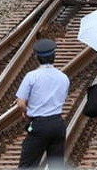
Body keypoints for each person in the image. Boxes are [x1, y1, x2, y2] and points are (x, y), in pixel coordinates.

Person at [16, 38, 70, 168]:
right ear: (54, 56)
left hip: (39, 125)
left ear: (37, 57)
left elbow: (20, 103)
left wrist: (26, 112)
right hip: (57, 124)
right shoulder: (63, 77)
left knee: (27, 165)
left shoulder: (32, 76)